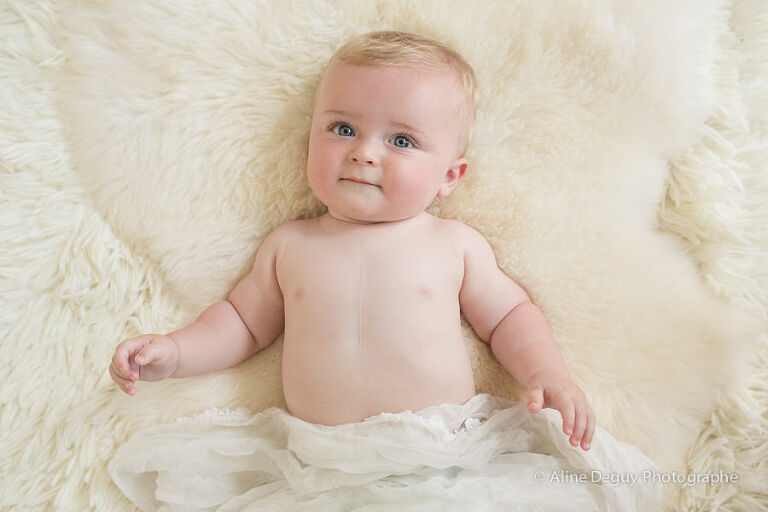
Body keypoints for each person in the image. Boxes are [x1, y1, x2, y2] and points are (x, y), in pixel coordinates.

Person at [108, 30, 595, 452]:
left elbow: (510, 316)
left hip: (439, 446)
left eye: (401, 141)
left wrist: (546, 374)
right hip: (320, 455)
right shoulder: (289, 245)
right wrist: (175, 353)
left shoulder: (453, 244)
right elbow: (241, 325)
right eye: (343, 129)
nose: (363, 153)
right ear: (309, 141)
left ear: (449, 175)